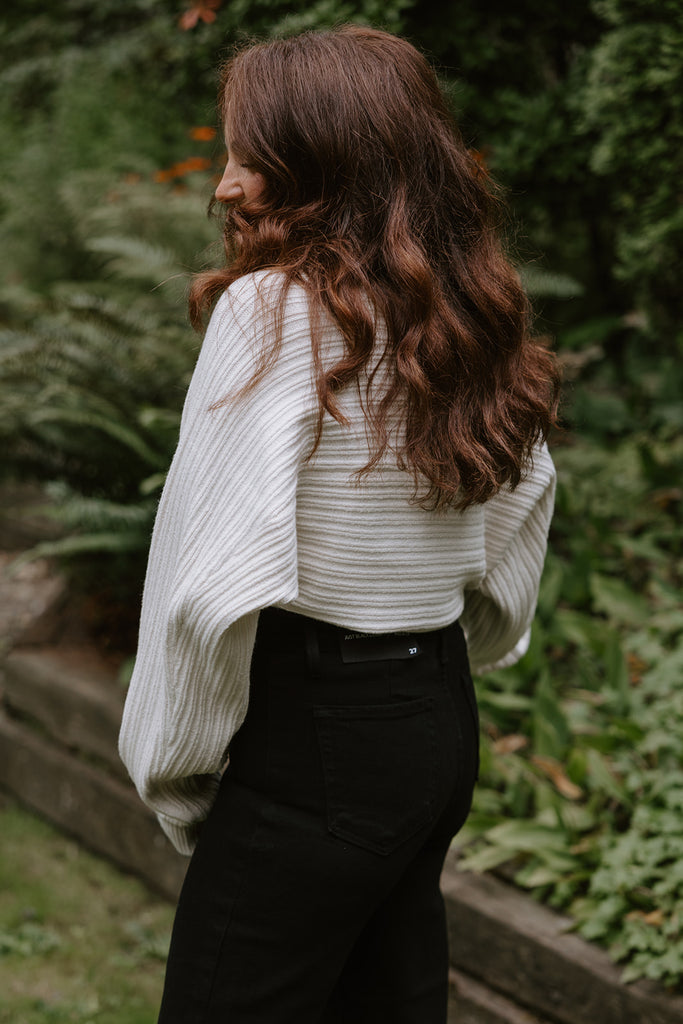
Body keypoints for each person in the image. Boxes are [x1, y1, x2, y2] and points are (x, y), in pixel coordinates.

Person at [119, 24, 559, 1024]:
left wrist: (175, 771)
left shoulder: (270, 309)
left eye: (249, 155)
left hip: (312, 738)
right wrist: (444, 654)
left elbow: (209, 574)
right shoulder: (470, 310)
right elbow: (522, 510)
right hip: (431, 719)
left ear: (319, 161)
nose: (225, 184)